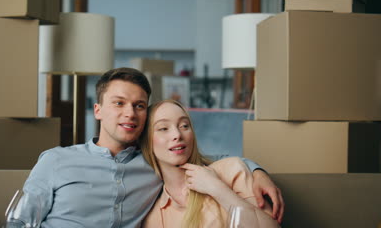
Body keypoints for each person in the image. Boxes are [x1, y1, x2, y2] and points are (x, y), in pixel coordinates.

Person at [18, 68, 283, 227]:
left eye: (139, 105)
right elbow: (18, 222)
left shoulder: (155, 162)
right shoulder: (56, 161)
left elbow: (208, 159)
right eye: (119, 103)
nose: (130, 113)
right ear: (97, 110)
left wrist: (256, 170)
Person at [140, 99, 280, 228]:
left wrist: (217, 188)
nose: (177, 134)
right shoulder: (154, 215)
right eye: (163, 128)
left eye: (184, 125)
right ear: (147, 141)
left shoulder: (232, 170)